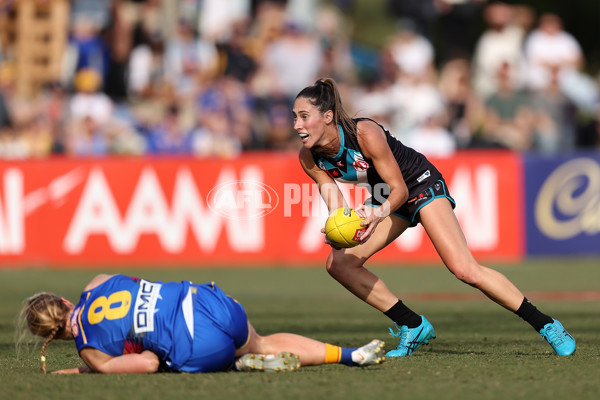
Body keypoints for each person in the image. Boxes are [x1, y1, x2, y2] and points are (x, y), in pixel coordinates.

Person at [292, 78, 576, 357]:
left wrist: (376, 215)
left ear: (328, 116)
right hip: (385, 195)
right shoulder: (309, 158)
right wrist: (338, 234)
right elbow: (340, 211)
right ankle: (412, 325)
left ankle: (547, 325)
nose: (297, 126)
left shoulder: (364, 133)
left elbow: (400, 190)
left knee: (464, 269)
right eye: (295, 118)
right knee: (339, 264)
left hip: (417, 183)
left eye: (304, 116)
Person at [18, 273, 386, 374]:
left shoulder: (91, 353)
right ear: (65, 301)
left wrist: (89, 370)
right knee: (260, 340)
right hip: (207, 300)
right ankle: (350, 354)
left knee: (176, 356)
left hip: (197, 345)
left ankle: (236, 363)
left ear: (51, 336)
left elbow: (146, 364)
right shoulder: (96, 282)